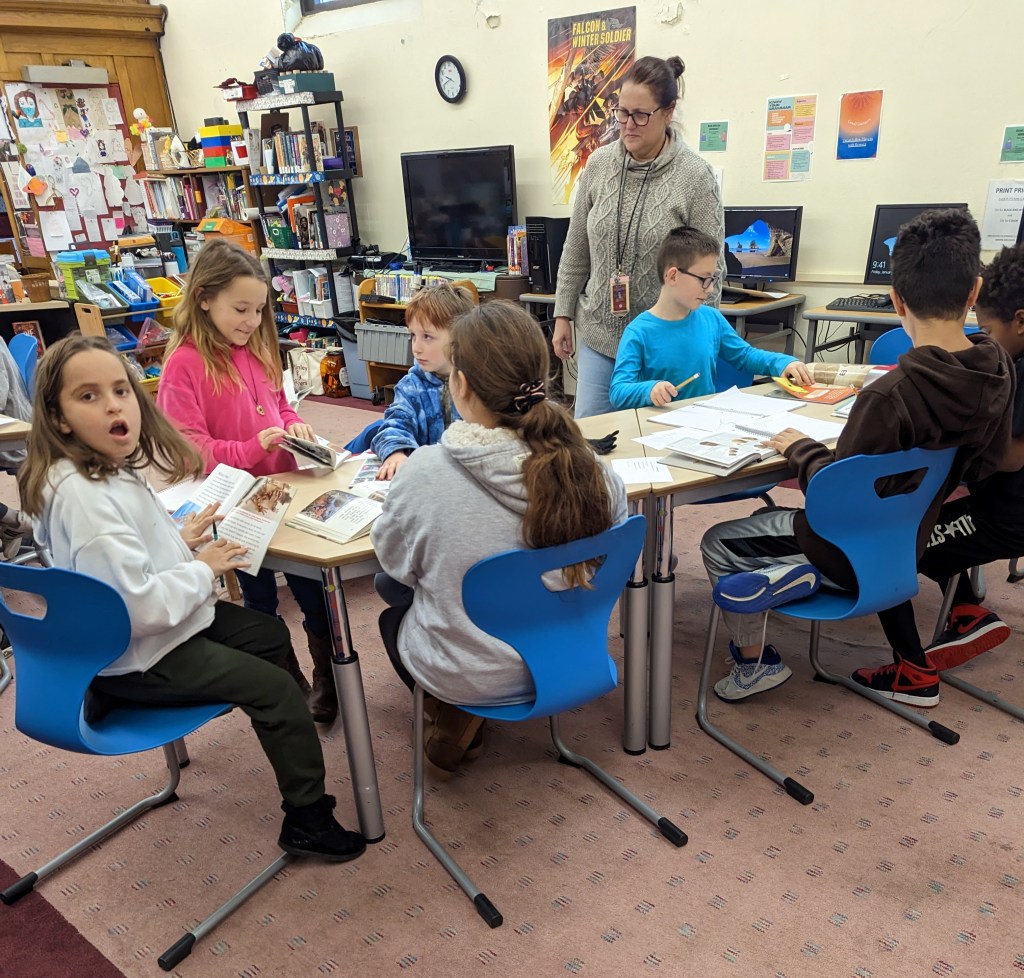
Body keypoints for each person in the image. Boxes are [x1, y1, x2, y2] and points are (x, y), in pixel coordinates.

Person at [17, 335, 365, 862]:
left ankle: (284, 727)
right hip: (136, 655)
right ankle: (307, 818)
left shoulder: (97, 470)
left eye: (121, 390)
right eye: (87, 396)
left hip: (144, 632)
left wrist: (180, 542)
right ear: (58, 418)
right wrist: (203, 569)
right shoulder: (88, 504)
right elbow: (138, 609)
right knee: (272, 688)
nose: (115, 404)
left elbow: (126, 566)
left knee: (267, 632)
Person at [699, 209, 1013, 706]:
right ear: (974, 292)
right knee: (770, 520)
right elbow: (983, 464)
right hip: (913, 536)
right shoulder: (998, 372)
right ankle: (792, 575)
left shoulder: (889, 397)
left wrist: (798, 447)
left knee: (719, 539)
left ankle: (757, 661)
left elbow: (831, 503)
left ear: (896, 299)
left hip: (843, 550)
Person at [371, 301, 628, 778]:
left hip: (473, 673)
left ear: (461, 384)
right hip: (573, 656)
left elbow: (394, 562)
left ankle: (455, 716)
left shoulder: (425, 473)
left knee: (394, 605)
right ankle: (461, 717)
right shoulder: (594, 473)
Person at [157, 239, 339, 724]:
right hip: (234, 501)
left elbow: (278, 404)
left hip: (283, 486)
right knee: (260, 598)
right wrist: (251, 448)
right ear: (204, 298)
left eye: (259, 310)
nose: (252, 321)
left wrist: (291, 425)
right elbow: (188, 449)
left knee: (311, 585)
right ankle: (287, 676)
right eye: (241, 309)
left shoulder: (255, 347)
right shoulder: (183, 364)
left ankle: (326, 677)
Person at [552, 54, 724, 418]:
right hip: (600, 338)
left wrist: (697, 339)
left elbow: (711, 271)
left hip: (665, 344)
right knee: (592, 449)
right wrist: (563, 313)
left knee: (661, 456)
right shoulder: (598, 165)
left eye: (640, 115)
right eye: (621, 112)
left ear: (668, 111)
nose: (628, 125)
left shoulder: (695, 177)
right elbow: (576, 247)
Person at [881, 243, 1024, 673]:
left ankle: (911, 671)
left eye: (989, 333)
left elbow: (1012, 457)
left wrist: (946, 446)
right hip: (1003, 506)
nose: (984, 345)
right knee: (928, 519)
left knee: (894, 545)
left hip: (1009, 515)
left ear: (1020, 321)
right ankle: (966, 610)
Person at [609, 226, 813, 409]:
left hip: (703, 425)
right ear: (673, 276)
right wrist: (650, 390)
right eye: (704, 279)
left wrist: (783, 363)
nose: (711, 289)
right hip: (655, 430)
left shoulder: (711, 319)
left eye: (713, 279)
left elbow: (745, 356)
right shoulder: (639, 332)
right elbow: (618, 392)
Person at [369, 281, 475, 481]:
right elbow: (394, 423)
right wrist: (396, 452)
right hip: (428, 480)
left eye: (427, 337)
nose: (416, 348)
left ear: (460, 338)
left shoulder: (481, 382)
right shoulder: (411, 385)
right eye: (413, 336)